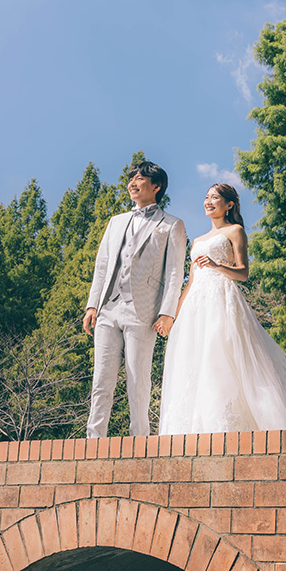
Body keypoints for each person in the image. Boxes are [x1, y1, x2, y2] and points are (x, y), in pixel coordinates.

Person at [158, 183, 286, 435]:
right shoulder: (197, 240)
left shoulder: (235, 231)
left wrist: (216, 265)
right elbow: (190, 282)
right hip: (195, 306)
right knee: (193, 361)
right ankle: (195, 429)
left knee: (220, 358)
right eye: (206, 197)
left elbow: (243, 273)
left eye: (215, 197)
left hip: (221, 301)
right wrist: (174, 316)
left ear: (229, 205)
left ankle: (230, 427)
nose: (208, 201)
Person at [83, 160, 186, 438]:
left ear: (156, 186)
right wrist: (93, 304)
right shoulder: (116, 222)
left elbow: (175, 271)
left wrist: (168, 313)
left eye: (139, 178)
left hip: (143, 311)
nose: (132, 183)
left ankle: (139, 439)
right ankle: (94, 439)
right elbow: (102, 265)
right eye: (131, 178)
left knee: (137, 379)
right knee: (101, 379)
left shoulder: (172, 225)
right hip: (108, 308)